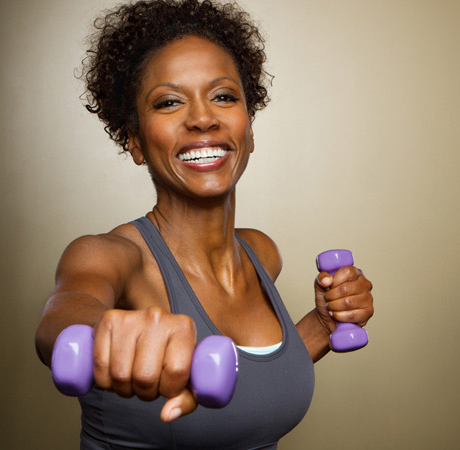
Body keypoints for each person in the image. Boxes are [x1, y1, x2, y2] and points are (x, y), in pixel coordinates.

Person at [34, 1, 374, 448]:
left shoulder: (261, 254)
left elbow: (249, 383)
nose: (201, 118)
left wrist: (321, 326)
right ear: (134, 141)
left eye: (224, 96)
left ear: (248, 130)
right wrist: (107, 336)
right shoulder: (110, 257)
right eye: (169, 102)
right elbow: (61, 319)